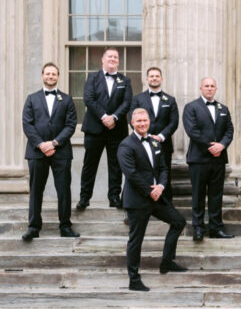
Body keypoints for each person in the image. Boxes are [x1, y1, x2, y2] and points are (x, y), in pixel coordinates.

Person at [118, 108, 187, 291]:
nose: (142, 123)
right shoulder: (126, 145)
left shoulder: (156, 143)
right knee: (136, 240)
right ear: (132, 123)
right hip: (138, 199)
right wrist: (150, 191)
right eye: (138, 121)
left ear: (149, 121)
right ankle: (134, 279)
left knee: (179, 222)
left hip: (157, 196)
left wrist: (161, 186)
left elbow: (164, 168)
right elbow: (131, 174)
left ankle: (166, 261)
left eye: (145, 120)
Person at [21, 63, 79, 241]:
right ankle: (33, 227)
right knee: (36, 190)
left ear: (58, 77)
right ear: (42, 76)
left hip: (61, 153)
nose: (51, 76)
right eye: (48, 74)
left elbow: (71, 125)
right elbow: (27, 124)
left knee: (63, 190)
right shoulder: (32, 99)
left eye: (54, 74)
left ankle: (65, 226)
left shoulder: (67, 100)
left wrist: (54, 143)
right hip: (37, 152)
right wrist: (41, 144)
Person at [77, 47, 132, 211]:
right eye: (110, 56)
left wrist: (114, 117)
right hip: (95, 129)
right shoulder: (92, 77)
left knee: (116, 165)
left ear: (118, 61)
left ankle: (114, 197)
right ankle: (84, 197)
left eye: (116, 57)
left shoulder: (125, 80)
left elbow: (127, 102)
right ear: (103, 59)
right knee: (89, 165)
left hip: (117, 129)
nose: (113, 59)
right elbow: (88, 99)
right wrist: (104, 117)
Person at [182, 77, 234, 241]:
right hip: (199, 159)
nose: (209, 88)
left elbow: (229, 130)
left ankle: (216, 228)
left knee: (216, 195)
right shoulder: (191, 107)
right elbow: (192, 131)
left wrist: (222, 145)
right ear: (201, 88)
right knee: (198, 194)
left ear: (216, 89)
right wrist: (211, 147)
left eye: (212, 86)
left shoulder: (223, 108)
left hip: (218, 159)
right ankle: (198, 228)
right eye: (206, 86)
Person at [129, 67, 179, 203]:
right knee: (140, 175)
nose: (154, 78)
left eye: (157, 76)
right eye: (151, 76)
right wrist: (146, 135)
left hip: (164, 144)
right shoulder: (138, 99)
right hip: (142, 144)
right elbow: (131, 119)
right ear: (146, 79)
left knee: (165, 177)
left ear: (161, 79)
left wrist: (161, 137)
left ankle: (167, 207)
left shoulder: (170, 100)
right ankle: (138, 206)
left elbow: (174, 122)